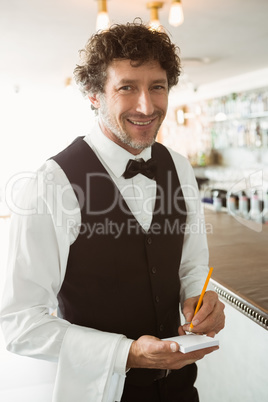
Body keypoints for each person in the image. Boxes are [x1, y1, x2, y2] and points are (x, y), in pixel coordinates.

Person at [0, 21, 225, 402]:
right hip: (99, 391)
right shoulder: (50, 184)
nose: (147, 106)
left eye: (157, 87)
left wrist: (199, 299)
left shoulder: (180, 167)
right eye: (127, 88)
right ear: (93, 95)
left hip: (181, 388)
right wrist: (129, 354)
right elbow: (19, 324)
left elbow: (191, 264)